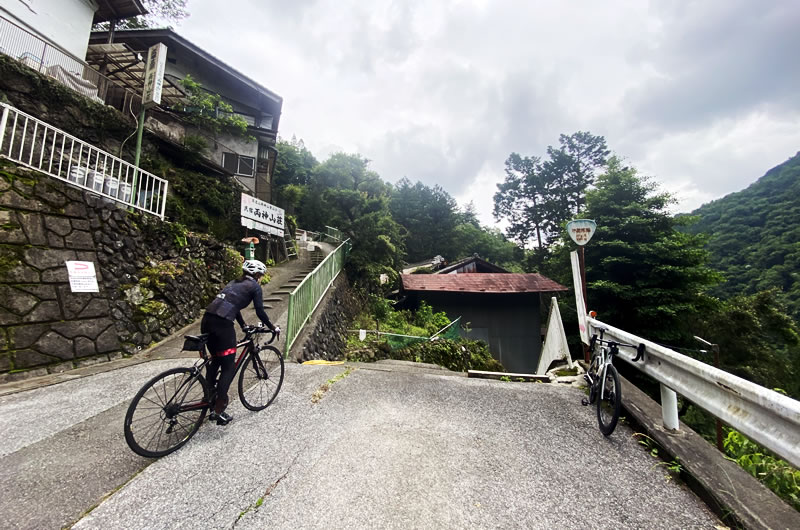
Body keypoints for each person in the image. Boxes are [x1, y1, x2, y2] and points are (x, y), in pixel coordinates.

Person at [201, 259, 276, 425]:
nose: (262, 278)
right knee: (228, 366)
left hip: (207, 319)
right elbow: (260, 311)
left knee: (215, 360)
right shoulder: (254, 287)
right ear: (257, 275)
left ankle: (208, 397)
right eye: (261, 275)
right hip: (222, 324)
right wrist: (272, 327)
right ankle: (218, 410)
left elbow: (232, 306)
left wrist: (243, 325)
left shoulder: (234, 282)